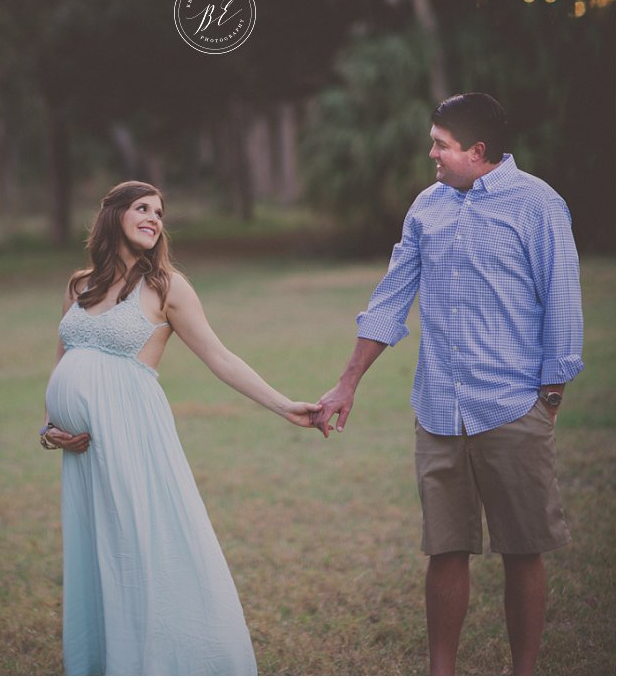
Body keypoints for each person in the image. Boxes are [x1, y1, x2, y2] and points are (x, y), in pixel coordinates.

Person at [313, 93, 583, 676]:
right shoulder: (426, 208)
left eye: (441, 145)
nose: (430, 153)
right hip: (438, 407)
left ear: (476, 152)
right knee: (444, 548)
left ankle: (525, 670)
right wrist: (347, 383)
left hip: (512, 407)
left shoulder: (537, 204)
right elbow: (390, 300)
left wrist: (549, 400)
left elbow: (561, 304)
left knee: (522, 549)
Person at [41, 180, 319, 677]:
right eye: (142, 208)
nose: (154, 218)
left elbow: (220, 357)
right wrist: (50, 426)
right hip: (81, 451)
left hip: (132, 437)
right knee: (95, 553)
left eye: (160, 212)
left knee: (139, 550)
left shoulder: (167, 287)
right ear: (114, 215)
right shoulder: (78, 285)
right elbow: (65, 360)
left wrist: (284, 406)